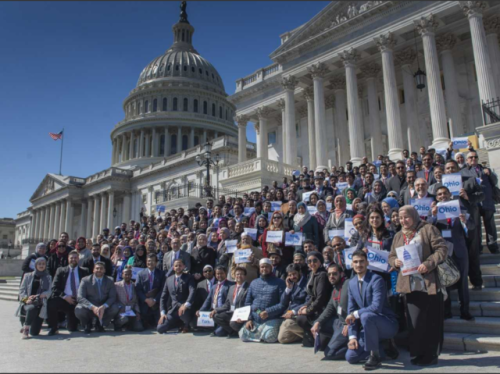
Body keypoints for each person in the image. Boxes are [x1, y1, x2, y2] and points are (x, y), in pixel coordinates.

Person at [389, 206, 448, 366]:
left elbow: (442, 249)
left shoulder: (428, 229)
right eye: (401, 218)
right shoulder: (398, 235)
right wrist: (394, 262)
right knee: (414, 322)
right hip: (410, 284)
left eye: (406, 217)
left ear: (414, 216)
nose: (403, 221)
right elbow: (392, 255)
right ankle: (417, 353)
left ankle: (431, 355)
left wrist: (428, 264)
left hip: (429, 283)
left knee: (431, 321)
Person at [345, 250, 399, 370]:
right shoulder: (351, 283)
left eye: (362, 261)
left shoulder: (376, 279)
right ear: (352, 264)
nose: (359, 265)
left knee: (366, 316)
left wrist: (355, 314)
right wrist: (352, 336)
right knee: (351, 357)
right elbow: (350, 311)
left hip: (386, 324)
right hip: (368, 327)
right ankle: (384, 347)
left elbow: (376, 307)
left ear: (367, 263)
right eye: (356, 262)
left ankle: (375, 357)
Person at [430, 186, 474, 321]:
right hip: (445, 252)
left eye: (445, 193)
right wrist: (434, 216)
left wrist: (465, 221)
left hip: (460, 250)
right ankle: (447, 311)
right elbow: (428, 228)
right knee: (445, 282)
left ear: (450, 194)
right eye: (440, 194)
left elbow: (472, 225)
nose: (442, 196)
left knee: (463, 283)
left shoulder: (460, 207)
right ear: (437, 197)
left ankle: (465, 311)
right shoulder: (435, 212)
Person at [239, 258, 286, 343]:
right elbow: (248, 303)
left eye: (266, 267)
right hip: (256, 318)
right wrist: (249, 319)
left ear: (271, 268)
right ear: (259, 268)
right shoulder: (254, 282)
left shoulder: (280, 283)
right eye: (262, 267)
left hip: (272, 318)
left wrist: (268, 312)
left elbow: (282, 304)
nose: (264, 269)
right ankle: (260, 335)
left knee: (269, 337)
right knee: (242, 335)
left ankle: (261, 334)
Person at [461, 150, 499, 254]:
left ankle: (493, 245)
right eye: (471, 157)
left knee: (490, 225)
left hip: (487, 201)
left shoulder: (485, 170)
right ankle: (478, 247)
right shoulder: (463, 172)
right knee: (476, 226)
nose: (473, 159)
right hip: (473, 202)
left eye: (475, 157)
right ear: (467, 160)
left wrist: (490, 173)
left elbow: (495, 181)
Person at [311, 264, 350, 360]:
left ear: (341, 274)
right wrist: (317, 322)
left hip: (347, 324)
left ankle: (358, 347)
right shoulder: (334, 288)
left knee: (329, 353)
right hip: (338, 322)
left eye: (334, 274)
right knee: (317, 323)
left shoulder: (349, 284)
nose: (331, 276)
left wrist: (350, 324)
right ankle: (338, 341)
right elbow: (329, 309)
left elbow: (356, 306)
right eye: (329, 274)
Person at [47, 250, 90, 335]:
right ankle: (53, 327)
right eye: (71, 258)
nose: (73, 259)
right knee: (51, 303)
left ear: (78, 259)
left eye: (75, 258)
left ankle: (85, 324)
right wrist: (65, 296)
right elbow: (54, 287)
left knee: (72, 329)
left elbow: (88, 288)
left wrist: (81, 298)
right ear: (68, 259)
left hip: (78, 300)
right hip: (65, 299)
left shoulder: (85, 271)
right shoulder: (61, 270)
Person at [296, 252, 332, 347]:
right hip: (316, 307)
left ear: (320, 261)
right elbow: (312, 296)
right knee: (300, 317)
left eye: (315, 260)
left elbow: (320, 298)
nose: (312, 263)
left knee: (302, 318)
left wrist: (307, 310)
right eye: (309, 261)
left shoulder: (322, 275)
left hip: (323, 309)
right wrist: (305, 306)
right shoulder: (312, 274)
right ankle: (311, 337)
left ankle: (318, 335)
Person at [75, 261, 120, 333]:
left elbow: (112, 297)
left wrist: (104, 306)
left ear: (104, 270)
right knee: (78, 309)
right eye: (97, 268)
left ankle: (101, 324)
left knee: (115, 307)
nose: (99, 270)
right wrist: (92, 307)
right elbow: (80, 297)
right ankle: (87, 324)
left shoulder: (110, 280)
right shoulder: (85, 280)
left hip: (103, 306)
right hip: (90, 306)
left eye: (101, 268)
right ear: (93, 270)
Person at [157, 259, 196, 334]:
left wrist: (186, 304)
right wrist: (162, 313)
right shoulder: (168, 279)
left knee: (183, 313)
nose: (178, 267)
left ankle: (186, 324)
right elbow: (163, 297)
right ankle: (178, 324)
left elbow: (192, 291)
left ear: (184, 266)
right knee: (160, 328)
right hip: (173, 310)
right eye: (176, 266)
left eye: (180, 265)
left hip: (185, 310)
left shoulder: (189, 277)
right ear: (173, 267)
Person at [17, 257, 52, 339]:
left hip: (40, 303)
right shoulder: (27, 276)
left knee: (34, 333)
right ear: (35, 265)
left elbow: (50, 291)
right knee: (32, 308)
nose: (41, 265)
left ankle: (29, 326)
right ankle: (26, 328)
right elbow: (21, 290)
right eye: (39, 264)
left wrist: (40, 295)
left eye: (43, 264)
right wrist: (27, 299)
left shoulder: (48, 277)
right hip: (28, 303)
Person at [196, 265, 234, 336]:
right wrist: (200, 311)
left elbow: (228, 303)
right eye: (217, 274)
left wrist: (218, 310)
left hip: (224, 311)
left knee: (218, 333)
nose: (219, 275)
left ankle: (232, 331)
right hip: (213, 311)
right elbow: (207, 301)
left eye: (221, 273)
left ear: (225, 273)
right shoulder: (214, 287)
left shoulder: (230, 285)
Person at [212, 266, 249, 337]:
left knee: (232, 322)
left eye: (241, 274)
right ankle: (232, 332)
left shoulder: (248, 288)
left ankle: (236, 329)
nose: (239, 276)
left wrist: (242, 316)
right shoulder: (232, 288)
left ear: (245, 276)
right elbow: (227, 304)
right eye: (237, 274)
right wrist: (216, 310)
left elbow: (248, 305)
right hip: (232, 312)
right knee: (216, 316)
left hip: (241, 314)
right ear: (234, 276)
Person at [277, 264, 309, 344]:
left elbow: (307, 302)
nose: (292, 277)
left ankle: (309, 335)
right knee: (282, 339)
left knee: (287, 324)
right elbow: (283, 302)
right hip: (289, 315)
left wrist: (293, 312)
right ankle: (304, 336)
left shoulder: (307, 283)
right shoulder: (291, 284)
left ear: (299, 272)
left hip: (300, 315)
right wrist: (288, 288)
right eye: (290, 275)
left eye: (294, 274)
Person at [136, 254, 166, 329]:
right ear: (146, 262)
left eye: (153, 261)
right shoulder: (140, 273)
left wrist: (155, 300)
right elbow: (138, 289)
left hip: (156, 303)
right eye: (149, 261)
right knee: (141, 326)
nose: (150, 262)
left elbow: (163, 289)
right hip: (144, 303)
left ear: (156, 262)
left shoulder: (161, 274)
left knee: (160, 325)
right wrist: (146, 300)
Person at [114, 268, 144, 332]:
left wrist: (137, 312)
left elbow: (136, 301)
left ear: (131, 275)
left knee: (139, 328)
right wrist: (120, 308)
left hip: (131, 311)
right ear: (122, 275)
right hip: (121, 311)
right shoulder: (116, 285)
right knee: (124, 319)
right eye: (126, 274)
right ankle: (117, 325)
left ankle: (129, 326)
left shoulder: (134, 285)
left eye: (129, 274)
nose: (127, 276)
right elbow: (114, 300)